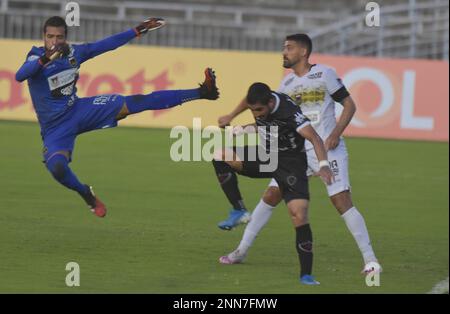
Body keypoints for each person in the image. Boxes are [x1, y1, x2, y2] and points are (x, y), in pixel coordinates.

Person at [15, 16, 219, 217]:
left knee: (137, 102)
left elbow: (106, 44)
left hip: (79, 111)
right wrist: (47, 57)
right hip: (55, 129)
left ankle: (202, 92)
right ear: (43, 37)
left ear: (65, 38)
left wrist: (137, 30)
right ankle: (86, 194)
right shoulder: (35, 56)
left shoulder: (75, 53)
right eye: (50, 37)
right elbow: (20, 75)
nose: (54, 41)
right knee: (58, 168)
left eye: (59, 37)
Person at [217, 34, 381, 274]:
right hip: (294, 152)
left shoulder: (324, 74)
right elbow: (255, 100)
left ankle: (370, 260)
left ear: (304, 52)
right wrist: (235, 120)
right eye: (284, 47)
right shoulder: (286, 85)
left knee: (340, 200)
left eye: (289, 48)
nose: (284, 52)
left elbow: (349, 105)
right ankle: (241, 251)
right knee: (271, 194)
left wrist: (335, 133)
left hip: (325, 147)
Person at [212, 82, 333, 285]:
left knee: (299, 215)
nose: (256, 114)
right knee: (219, 155)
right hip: (266, 157)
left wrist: (323, 165)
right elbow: (248, 100)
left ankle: (306, 274)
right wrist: (232, 117)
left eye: (259, 110)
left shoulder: (289, 112)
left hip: (291, 164)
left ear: (270, 103)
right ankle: (239, 210)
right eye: (253, 110)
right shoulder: (260, 101)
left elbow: (314, 138)